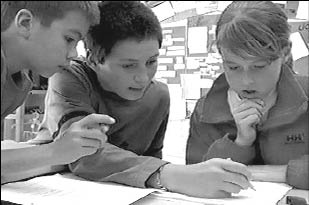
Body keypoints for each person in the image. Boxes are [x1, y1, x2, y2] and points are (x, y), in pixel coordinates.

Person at [36, 1, 254, 198]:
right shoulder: (69, 78)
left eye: (151, 62)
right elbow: (81, 153)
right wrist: (170, 174)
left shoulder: (158, 96)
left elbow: (151, 157)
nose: (143, 77)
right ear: (93, 59)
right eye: (128, 65)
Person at [186, 1, 308, 189]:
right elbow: (195, 177)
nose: (246, 81)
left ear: (284, 53)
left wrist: (262, 173)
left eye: (258, 67)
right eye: (233, 67)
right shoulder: (205, 110)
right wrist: (241, 143)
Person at [1, 1, 115, 185]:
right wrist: (54, 152)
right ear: (25, 23)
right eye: (69, 39)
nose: (74, 54)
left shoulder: (19, 82)